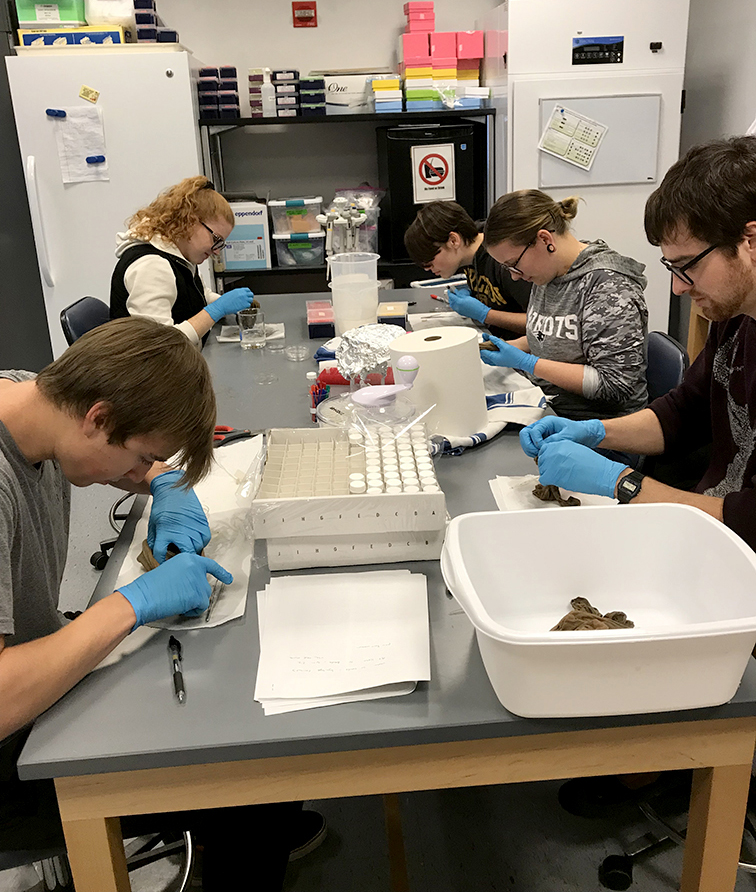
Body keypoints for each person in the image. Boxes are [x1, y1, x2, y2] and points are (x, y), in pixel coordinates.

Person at [0, 318, 320, 890]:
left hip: (30, 663)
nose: (136, 473)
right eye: (140, 456)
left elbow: (129, 459)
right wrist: (131, 604)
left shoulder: (36, 396)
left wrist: (168, 481)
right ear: (98, 418)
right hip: (8, 743)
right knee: (253, 776)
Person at [519, 135, 756, 553]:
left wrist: (622, 483)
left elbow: (750, 522)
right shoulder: (735, 317)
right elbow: (684, 413)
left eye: (687, 266)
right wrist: (596, 433)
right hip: (704, 530)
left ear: (750, 241)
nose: (678, 288)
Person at [478, 189, 649, 421]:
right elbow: (551, 337)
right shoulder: (548, 272)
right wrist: (504, 348)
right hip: (551, 404)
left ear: (545, 240)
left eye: (514, 264)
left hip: (598, 424)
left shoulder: (608, 287)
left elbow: (614, 385)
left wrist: (529, 363)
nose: (515, 276)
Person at [110, 175, 256, 347]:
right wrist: (217, 309)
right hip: (153, 363)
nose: (217, 251)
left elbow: (197, 294)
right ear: (190, 221)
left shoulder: (180, 256)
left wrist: (225, 303)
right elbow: (160, 344)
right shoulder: (152, 266)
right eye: (216, 239)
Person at [403, 200, 531, 339]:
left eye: (429, 261)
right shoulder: (467, 258)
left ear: (453, 240)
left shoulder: (501, 259)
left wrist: (486, 314)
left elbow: (540, 324)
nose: (428, 269)